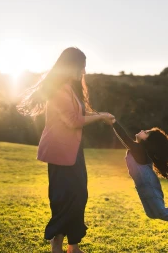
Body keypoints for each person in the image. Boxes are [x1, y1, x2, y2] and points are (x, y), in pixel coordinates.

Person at [17, 47, 115, 253]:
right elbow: (73, 121)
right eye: (82, 66)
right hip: (60, 151)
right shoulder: (59, 90)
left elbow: (78, 113)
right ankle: (57, 244)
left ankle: (73, 245)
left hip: (73, 150)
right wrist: (100, 117)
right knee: (64, 197)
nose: (84, 71)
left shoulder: (70, 88)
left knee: (78, 195)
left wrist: (102, 115)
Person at [111, 119, 168, 231]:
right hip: (142, 186)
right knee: (151, 214)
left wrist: (113, 122)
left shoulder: (139, 150)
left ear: (147, 140)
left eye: (145, 132)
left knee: (160, 212)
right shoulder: (139, 149)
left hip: (149, 185)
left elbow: (124, 137)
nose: (142, 130)